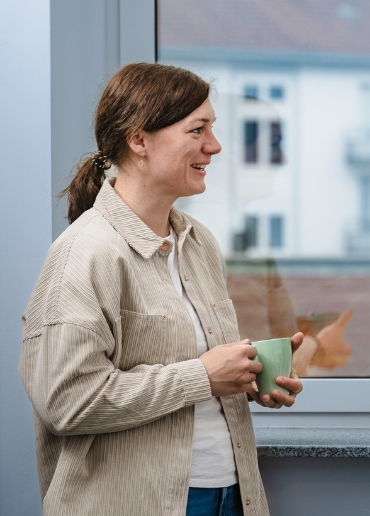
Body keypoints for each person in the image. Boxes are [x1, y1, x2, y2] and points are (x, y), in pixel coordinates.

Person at [18, 62, 304, 516]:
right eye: (198, 130)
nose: (215, 146)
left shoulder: (199, 243)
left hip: (232, 494)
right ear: (138, 140)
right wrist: (203, 376)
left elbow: (197, 370)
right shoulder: (84, 253)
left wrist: (246, 377)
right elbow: (66, 402)